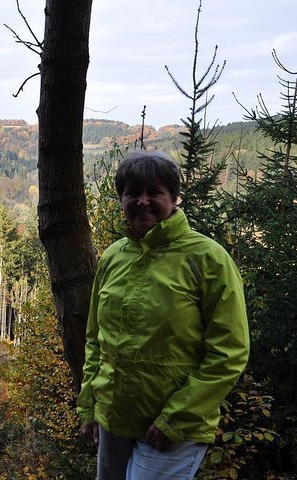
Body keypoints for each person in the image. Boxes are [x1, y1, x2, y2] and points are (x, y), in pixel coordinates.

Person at [77, 150, 250, 479]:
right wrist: (89, 405)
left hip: (174, 428)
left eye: (154, 192)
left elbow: (229, 352)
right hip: (114, 419)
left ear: (174, 198)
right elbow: (96, 339)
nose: (143, 201)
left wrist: (177, 417)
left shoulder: (208, 259)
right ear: (121, 199)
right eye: (132, 193)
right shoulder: (114, 256)